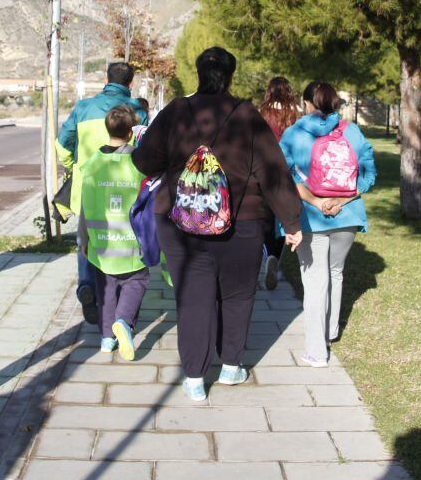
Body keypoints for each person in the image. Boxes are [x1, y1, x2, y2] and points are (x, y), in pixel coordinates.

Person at [132, 47, 303, 402]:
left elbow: (144, 159)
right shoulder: (246, 115)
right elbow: (272, 171)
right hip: (242, 222)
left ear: (197, 72)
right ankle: (230, 367)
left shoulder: (176, 111)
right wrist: (291, 221)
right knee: (237, 294)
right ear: (231, 75)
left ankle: (194, 376)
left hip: (181, 223)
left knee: (192, 297)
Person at [279, 81, 375, 366]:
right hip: (348, 215)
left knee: (314, 281)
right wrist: (343, 201)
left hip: (311, 215)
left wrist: (318, 202)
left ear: (307, 103)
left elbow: (285, 177)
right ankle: (331, 331)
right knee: (336, 272)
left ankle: (317, 351)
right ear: (335, 103)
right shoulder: (352, 131)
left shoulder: (294, 134)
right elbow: (369, 173)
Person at [56, 63, 148, 325]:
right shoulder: (138, 110)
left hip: (90, 187)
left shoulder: (83, 108)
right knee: (125, 245)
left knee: (86, 240)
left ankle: (88, 286)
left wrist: (73, 167)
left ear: (106, 79)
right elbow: (146, 146)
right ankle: (121, 305)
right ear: (130, 84)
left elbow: (62, 144)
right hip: (126, 189)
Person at [78, 105, 148, 361]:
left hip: (101, 243)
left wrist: (83, 239)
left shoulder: (92, 164)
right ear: (131, 133)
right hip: (131, 242)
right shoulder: (138, 162)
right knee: (136, 281)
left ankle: (107, 338)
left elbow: (85, 206)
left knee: (105, 290)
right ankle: (123, 321)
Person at [258, 77, 301, 290]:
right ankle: (276, 254)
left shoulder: (262, 112)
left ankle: (267, 255)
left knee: (266, 218)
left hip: (265, 171)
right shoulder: (295, 114)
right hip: (289, 172)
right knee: (285, 216)